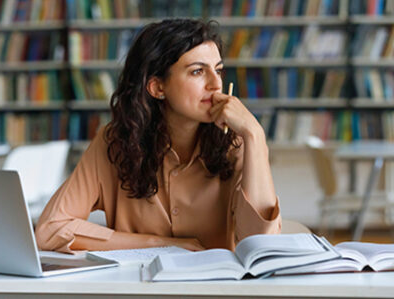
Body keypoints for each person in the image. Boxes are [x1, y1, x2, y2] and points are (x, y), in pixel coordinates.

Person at [35, 19, 281, 253]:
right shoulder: (115, 142)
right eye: (197, 72)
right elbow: (50, 229)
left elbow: (262, 246)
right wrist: (156, 243)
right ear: (157, 87)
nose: (215, 84)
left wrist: (255, 135)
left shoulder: (236, 143)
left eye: (218, 71)